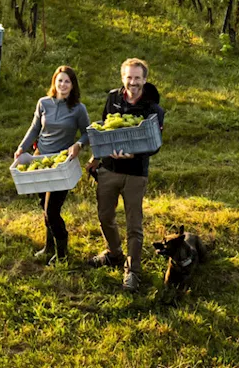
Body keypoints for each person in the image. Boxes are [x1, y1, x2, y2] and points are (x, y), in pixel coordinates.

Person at [87, 58, 165, 291]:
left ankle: (133, 271)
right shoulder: (113, 98)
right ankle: (114, 253)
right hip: (109, 169)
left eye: (137, 78)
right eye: (129, 77)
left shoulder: (153, 108)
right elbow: (104, 128)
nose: (133, 82)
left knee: (134, 225)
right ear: (123, 78)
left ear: (144, 79)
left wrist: (133, 155)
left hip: (135, 173)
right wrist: (95, 158)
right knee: (104, 216)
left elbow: (155, 145)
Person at [14, 65, 90, 266]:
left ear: (73, 86)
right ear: (54, 82)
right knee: (43, 205)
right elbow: (34, 129)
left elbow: (88, 132)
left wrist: (78, 144)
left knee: (52, 211)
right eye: (60, 80)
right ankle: (49, 246)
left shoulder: (78, 109)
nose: (63, 85)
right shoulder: (43, 103)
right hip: (40, 160)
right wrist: (22, 148)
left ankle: (62, 255)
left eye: (67, 81)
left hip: (61, 164)